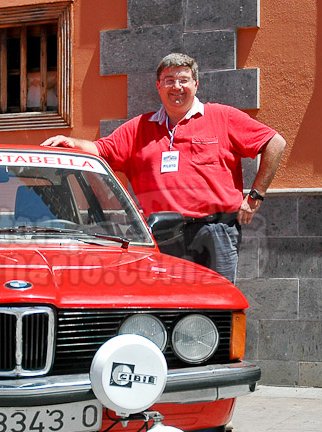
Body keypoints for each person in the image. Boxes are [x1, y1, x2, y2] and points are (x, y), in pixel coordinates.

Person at [43, 52, 285, 283]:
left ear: (196, 84)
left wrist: (255, 196)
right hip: (163, 236)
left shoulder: (222, 117)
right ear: (158, 86)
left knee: (216, 302)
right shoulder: (139, 128)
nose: (176, 86)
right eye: (169, 80)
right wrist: (72, 142)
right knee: (169, 303)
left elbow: (275, 143)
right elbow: (101, 150)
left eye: (183, 80)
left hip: (215, 232)